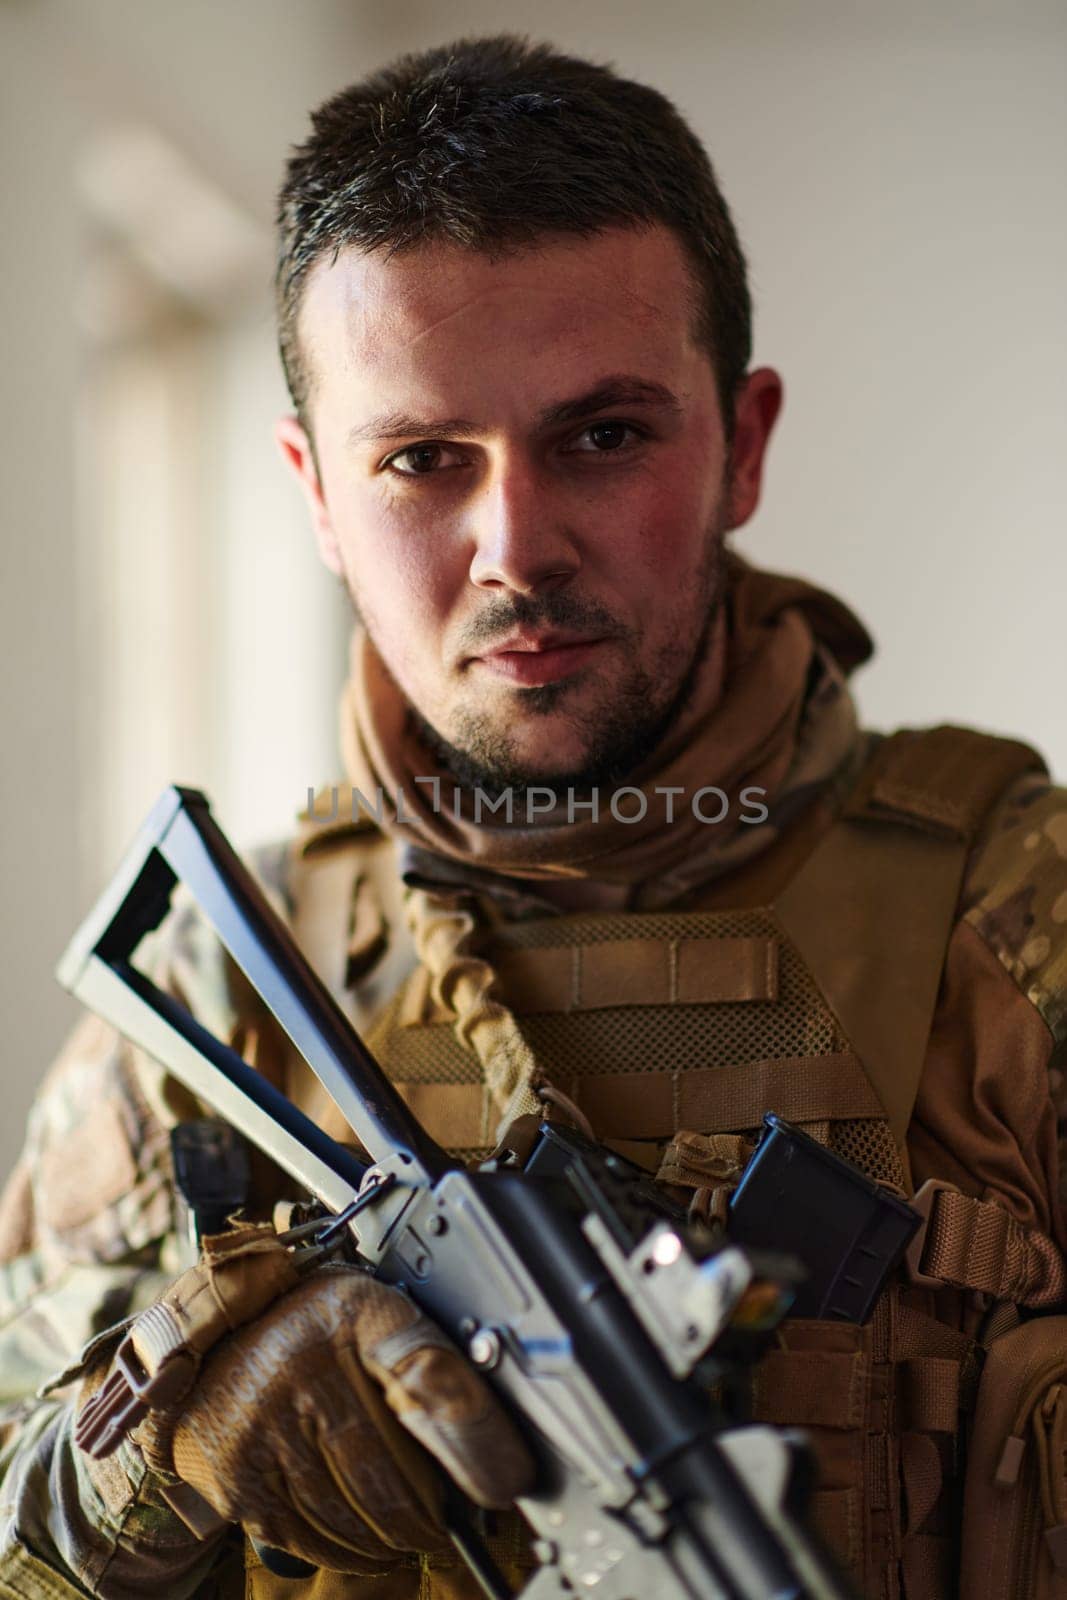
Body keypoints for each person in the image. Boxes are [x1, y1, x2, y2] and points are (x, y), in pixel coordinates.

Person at [1, 33, 1065, 1600]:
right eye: (423, 460)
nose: (517, 546)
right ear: (314, 495)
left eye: (604, 436)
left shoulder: (1019, 915)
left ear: (743, 444)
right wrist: (163, 1447)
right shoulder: (215, 994)